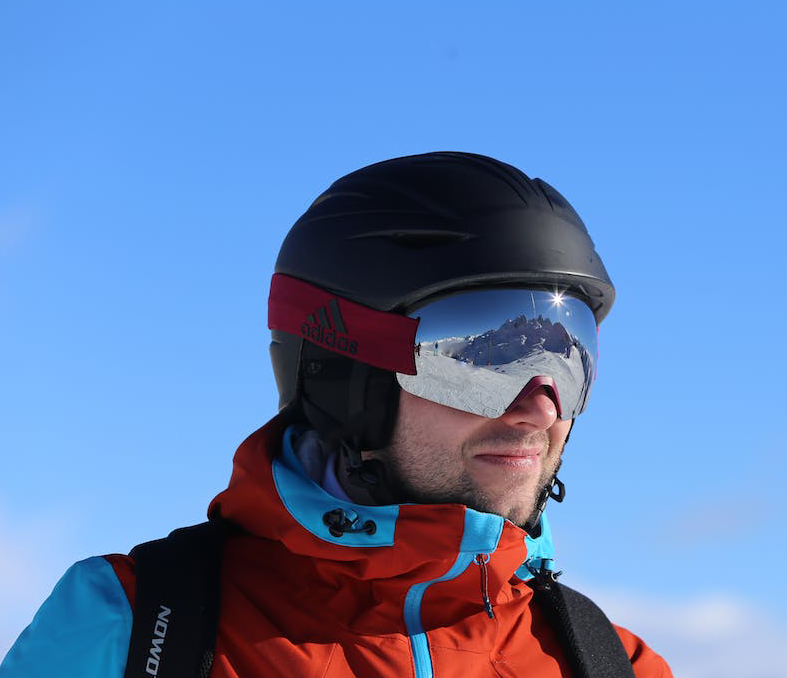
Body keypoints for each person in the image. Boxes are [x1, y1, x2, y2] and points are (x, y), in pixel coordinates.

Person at [1, 152, 673, 677]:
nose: (538, 410)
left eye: (568, 356)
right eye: (480, 359)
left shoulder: (609, 663)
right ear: (346, 379)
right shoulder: (136, 628)